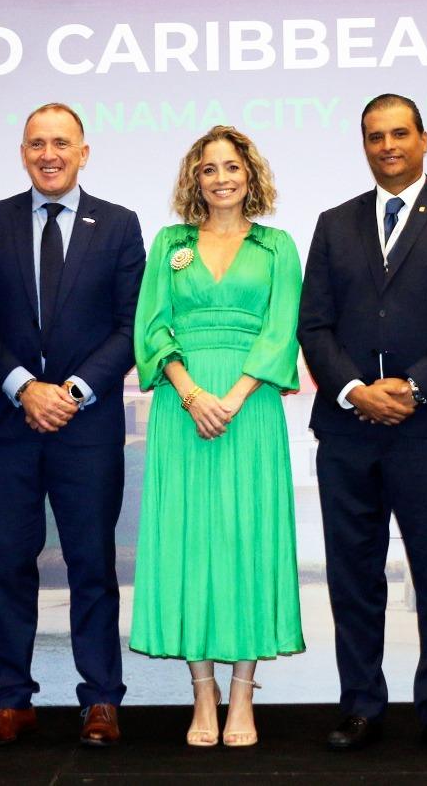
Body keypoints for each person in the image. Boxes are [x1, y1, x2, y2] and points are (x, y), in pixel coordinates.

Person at [298, 93, 427, 755]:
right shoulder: (334, 223)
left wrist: (412, 387)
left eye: (399, 133)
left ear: (423, 139)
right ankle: (361, 704)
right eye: (375, 136)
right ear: (364, 144)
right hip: (349, 428)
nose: (387, 146)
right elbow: (314, 325)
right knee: (353, 576)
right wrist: (355, 390)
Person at [0, 103, 145, 747]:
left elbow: (131, 326)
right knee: (10, 565)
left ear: (83, 152)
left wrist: (71, 391)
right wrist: (24, 387)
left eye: (61, 143)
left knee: (91, 565)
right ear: (23, 152)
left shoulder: (119, 225)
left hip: (87, 426)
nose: (49, 154)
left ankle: (100, 699)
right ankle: (11, 700)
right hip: (11, 425)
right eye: (37, 144)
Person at [130, 125, 304, 748]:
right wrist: (191, 393)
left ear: (249, 174)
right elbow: (152, 327)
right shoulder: (169, 243)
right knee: (188, 543)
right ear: (195, 179)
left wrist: (232, 396)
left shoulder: (277, 245)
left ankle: (243, 695)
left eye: (232, 166)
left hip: (250, 410)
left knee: (247, 542)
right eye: (209, 169)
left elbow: (282, 330)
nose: (221, 177)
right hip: (183, 410)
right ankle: (203, 693)